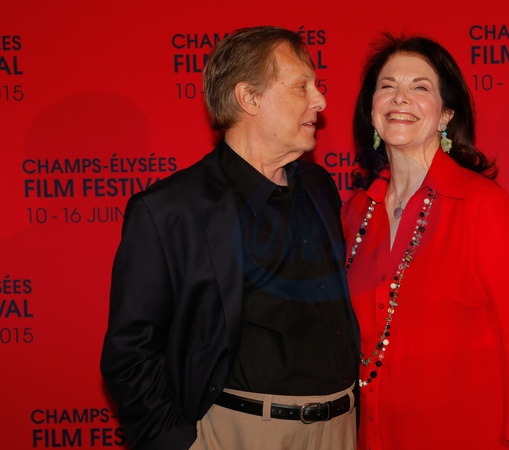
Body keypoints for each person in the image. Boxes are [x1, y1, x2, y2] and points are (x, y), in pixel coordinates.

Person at [101, 26, 359, 450]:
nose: (321, 101)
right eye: (302, 86)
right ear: (249, 98)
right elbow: (130, 353)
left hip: (341, 430)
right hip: (240, 434)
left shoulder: (319, 187)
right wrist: (181, 444)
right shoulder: (170, 211)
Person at [342, 33, 509, 450]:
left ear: (445, 114)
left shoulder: (480, 204)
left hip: (467, 435)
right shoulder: (357, 212)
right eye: (387, 86)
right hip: (374, 435)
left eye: (420, 87)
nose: (400, 98)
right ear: (371, 111)